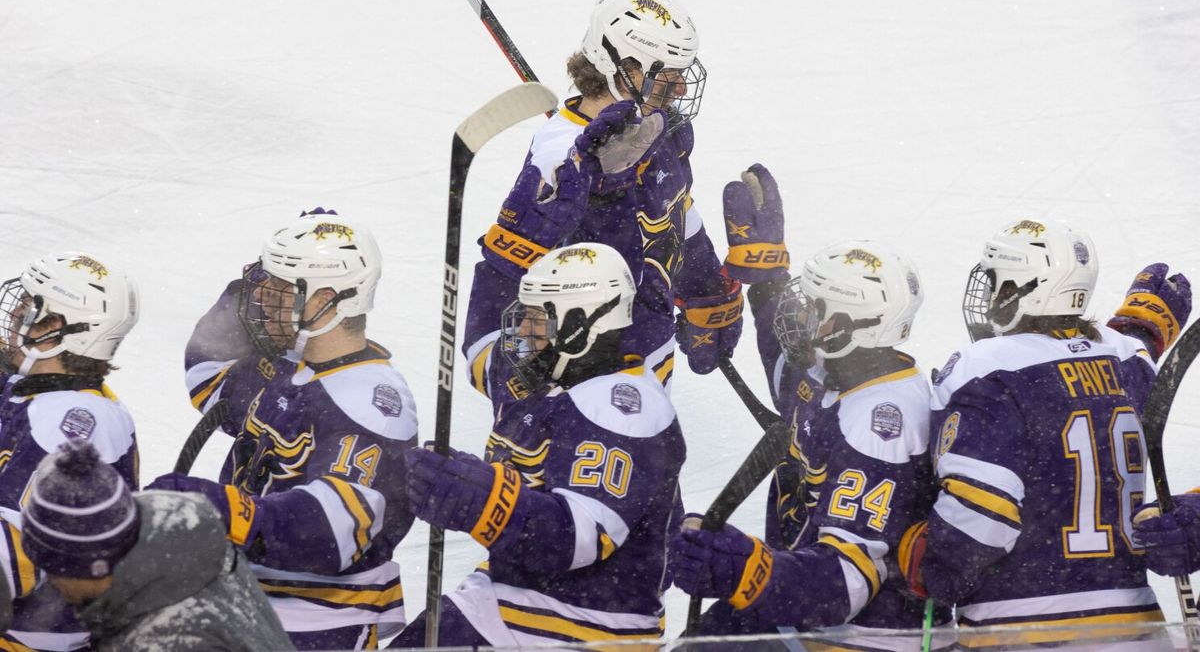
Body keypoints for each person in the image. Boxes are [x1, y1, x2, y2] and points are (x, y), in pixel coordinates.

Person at [669, 167, 942, 649]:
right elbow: (786, 360)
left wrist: (741, 566)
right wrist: (766, 276)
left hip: (865, 634)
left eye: (812, 307)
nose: (797, 314)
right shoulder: (833, 373)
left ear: (850, 328)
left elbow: (846, 581)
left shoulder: (883, 423)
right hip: (802, 610)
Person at [900, 219, 1191, 647]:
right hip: (1139, 630)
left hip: (1023, 629)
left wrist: (938, 569)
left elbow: (984, 517)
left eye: (999, 283)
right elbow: (1087, 369)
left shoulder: (985, 366)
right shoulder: (1131, 359)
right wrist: (1141, 331)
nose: (991, 295)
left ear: (1027, 289)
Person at [463, 0, 757, 402]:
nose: (680, 87)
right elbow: (500, 329)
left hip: (646, 389)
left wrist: (704, 287)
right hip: (569, 403)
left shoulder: (663, 129)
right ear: (623, 69)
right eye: (667, 73)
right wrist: (525, 367)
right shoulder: (558, 161)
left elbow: (676, 211)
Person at [147, 209, 417, 650]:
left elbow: (329, 532)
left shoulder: (370, 401)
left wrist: (218, 511)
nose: (260, 299)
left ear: (326, 300)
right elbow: (208, 376)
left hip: (319, 621)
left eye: (278, 289)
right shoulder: (286, 362)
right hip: (242, 599)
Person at [393, 243, 686, 648]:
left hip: (588, 625)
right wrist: (507, 242)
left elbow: (580, 538)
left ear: (582, 325)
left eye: (537, 318)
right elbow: (482, 342)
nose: (521, 330)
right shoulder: (541, 378)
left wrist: (475, 496)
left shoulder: (623, 407)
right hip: (506, 599)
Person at [18, 439, 292, 651]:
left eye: (52, 568)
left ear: (89, 567)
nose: (51, 581)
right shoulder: (164, 521)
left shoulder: (168, 640)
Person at [0, 251, 139, 651]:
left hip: (33, 639)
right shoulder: (42, 390)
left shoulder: (71, 421)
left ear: (57, 328)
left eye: (28, 307)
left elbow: (16, 554)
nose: (14, 316)